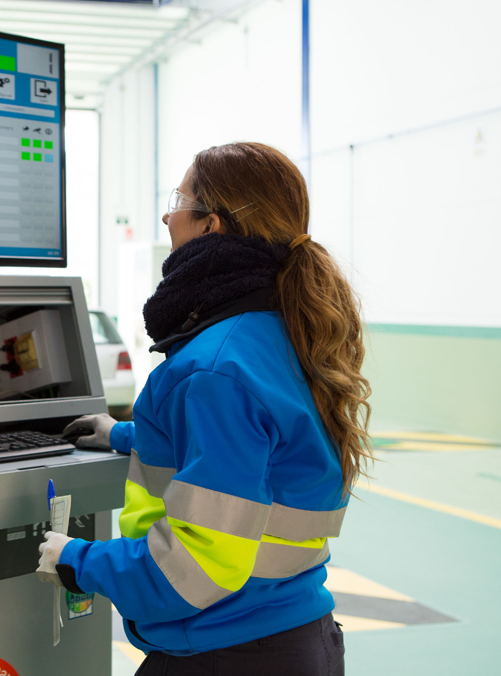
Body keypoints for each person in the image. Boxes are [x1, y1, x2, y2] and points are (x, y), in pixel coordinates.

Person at [35, 143, 372, 675]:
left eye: (178, 201)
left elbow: (194, 566)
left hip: (227, 651)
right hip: (297, 638)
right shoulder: (284, 333)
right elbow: (255, 454)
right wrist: (123, 435)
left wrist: (77, 559)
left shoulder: (215, 368)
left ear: (210, 225)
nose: (167, 217)